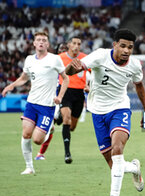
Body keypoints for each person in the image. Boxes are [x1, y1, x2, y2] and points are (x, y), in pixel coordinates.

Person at [65, 28, 145, 196]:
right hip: (97, 112)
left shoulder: (134, 65)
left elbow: (139, 86)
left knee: (118, 149)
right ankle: (134, 168)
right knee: (114, 165)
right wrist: (73, 66)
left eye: (130, 47)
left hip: (120, 108)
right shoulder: (100, 56)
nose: (127, 50)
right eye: (123, 46)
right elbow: (69, 71)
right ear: (114, 45)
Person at [1, 32, 69, 175]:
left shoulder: (54, 59)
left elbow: (66, 79)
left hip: (47, 106)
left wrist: (60, 97)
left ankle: (49, 127)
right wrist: (11, 86)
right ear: (34, 43)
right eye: (38, 40)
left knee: (37, 140)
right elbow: (24, 77)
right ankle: (29, 167)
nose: (41, 42)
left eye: (44, 40)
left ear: (48, 44)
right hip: (31, 103)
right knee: (26, 134)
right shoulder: (29, 60)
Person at [36, 36, 89, 163]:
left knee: (72, 127)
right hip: (65, 91)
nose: (76, 46)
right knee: (67, 119)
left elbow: (93, 74)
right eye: (74, 43)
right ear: (69, 45)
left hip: (79, 94)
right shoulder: (60, 58)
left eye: (79, 43)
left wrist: (89, 86)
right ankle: (67, 153)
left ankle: (58, 117)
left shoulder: (85, 58)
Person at [35, 42, 69, 161]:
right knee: (51, 127)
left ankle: (40, 153)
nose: (63, 50)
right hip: (51, 100)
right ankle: (40, 153)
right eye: (61, 48)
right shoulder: (51, 62)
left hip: (66, 99)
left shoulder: (70, 65)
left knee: (55, 126)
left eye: (65, 49)